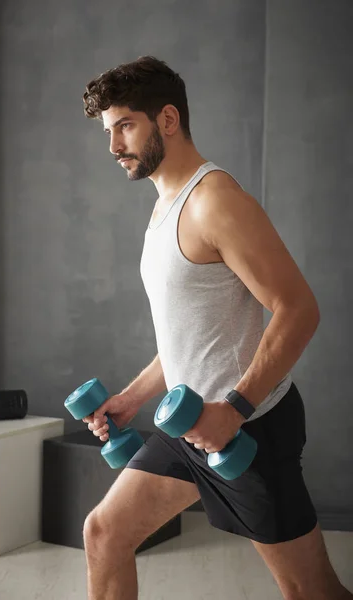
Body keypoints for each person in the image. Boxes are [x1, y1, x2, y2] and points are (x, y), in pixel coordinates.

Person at [81, 56, 352, 600]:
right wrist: (133, 398)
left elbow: (299, 308)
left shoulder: (215, 202)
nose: (113, 147)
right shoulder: (163, 210)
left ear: (168, 120)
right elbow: (189, 336)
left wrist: (235, 410)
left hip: (250, 427)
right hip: (189, 429)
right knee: (104, 532)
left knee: (312, 592)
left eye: (125, 126)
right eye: (108, 132)